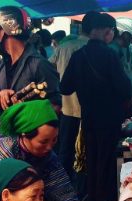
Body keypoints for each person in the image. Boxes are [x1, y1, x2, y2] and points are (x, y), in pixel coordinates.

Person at [61, 12, 132, 201]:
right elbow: (123, 87)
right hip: (108, 117)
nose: (111, 35)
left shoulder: (78, 56)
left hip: (88, 117)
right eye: (110, 30)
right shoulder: (109, 55)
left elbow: (65, 87)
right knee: (106, 162)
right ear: (99, 31)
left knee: (91, 160)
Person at [0, 6, 61, 115]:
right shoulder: (0, 66)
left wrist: (28, 110)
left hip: (30, 132)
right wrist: (0, 95)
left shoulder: (39, 64)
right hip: (2, 131)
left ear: (3, 31)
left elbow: (57, 107)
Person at [51, 11, 94, 186]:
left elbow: (50, 67)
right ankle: (81, 186)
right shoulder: (93, 48)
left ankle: (62, 185)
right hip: (88, 108)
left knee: (66, 148)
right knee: (85, 151)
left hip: (67, 106)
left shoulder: (63, 47)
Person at [113, 18, 132, 113]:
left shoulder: (128, 48)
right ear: (123, 33)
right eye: (131, 35)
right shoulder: (113, 49)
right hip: (119, 100)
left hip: (130, 98)